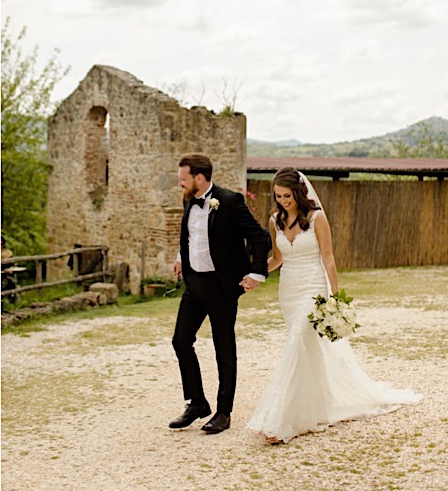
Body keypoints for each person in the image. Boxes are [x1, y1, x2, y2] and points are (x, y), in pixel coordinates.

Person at [246, 167, 422, 443]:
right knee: (304, 349)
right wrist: (255, 274)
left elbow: (328, 258)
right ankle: (312, 408)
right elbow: (278, 258)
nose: (282, 200)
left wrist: (336, 297)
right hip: (289, 290)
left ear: (299, 191)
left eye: (287, 195)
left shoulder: (316, 218)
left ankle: (281, 421)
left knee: (296, 342)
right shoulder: (274, 220)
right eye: (278, 196)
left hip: (313, 289)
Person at [170, 153, 272, 434]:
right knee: (180, 341)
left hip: (222, 287)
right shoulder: (188, 200)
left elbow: (260, 237)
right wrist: (181, 255)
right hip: (194, 285)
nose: (180, 183)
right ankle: (197, 402)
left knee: (223, 348)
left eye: (183, 178)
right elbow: (193, 236)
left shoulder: (229, 201)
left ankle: (223, 412)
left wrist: (256, 273)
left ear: (199, 178)